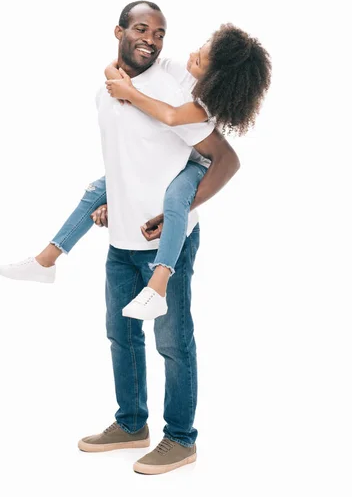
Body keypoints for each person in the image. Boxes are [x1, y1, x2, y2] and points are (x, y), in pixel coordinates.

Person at [0, 20, 272, 322]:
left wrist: (129, 92)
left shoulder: (204, 107)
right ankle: (46, 261)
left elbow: (169, 117)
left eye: (199, 58)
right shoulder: (173, 70)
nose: (191, 55)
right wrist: (115, 80)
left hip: (193, 166)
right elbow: (115, 66)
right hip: (162, 160)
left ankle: (158, 286)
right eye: (197, 50)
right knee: (97, 189)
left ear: (217, 77)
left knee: (175, 199)